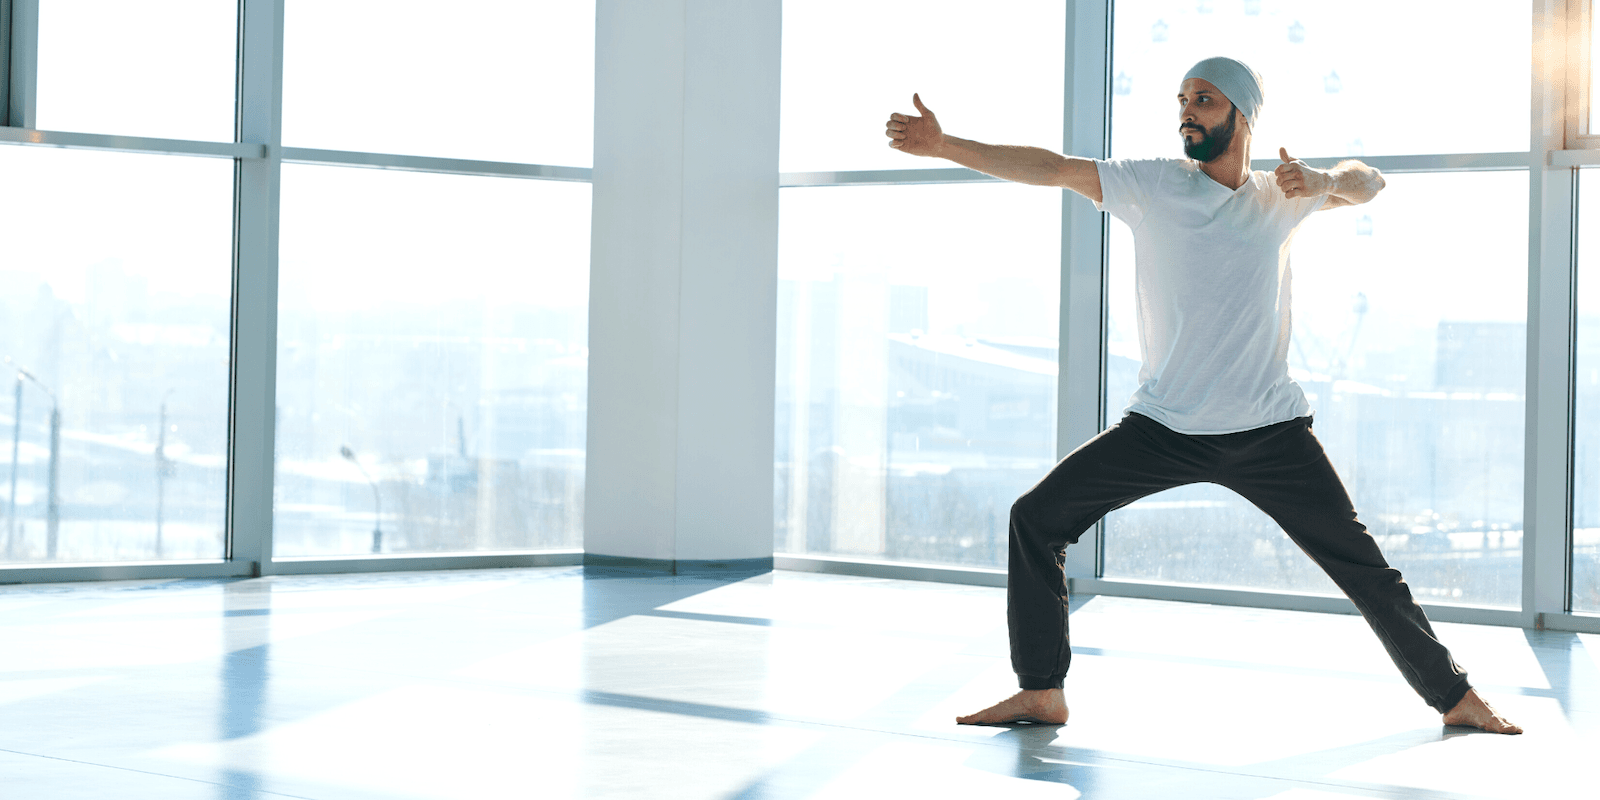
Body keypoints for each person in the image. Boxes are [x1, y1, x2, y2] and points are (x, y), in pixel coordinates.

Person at [883, 56, 1522, 734]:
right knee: (1034, 520)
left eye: (1206, 99)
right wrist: (945, 145)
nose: (1188, 109)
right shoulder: (1153, 185)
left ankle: (1456, 698)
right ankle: (1042, 691)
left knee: (1366, 570)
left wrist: (1326, 179)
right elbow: (1053, 166)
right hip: (1163, 426)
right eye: (1182, 98)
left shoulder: (1282, 194)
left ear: (1242, 116)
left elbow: (1372, 181)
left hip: (1271, 432)